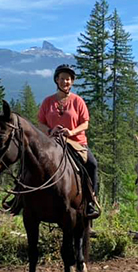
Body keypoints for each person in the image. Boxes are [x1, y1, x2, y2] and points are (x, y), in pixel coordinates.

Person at [37, 64, 100, 219]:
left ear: (72, 82)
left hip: (76, 142)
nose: (65, 82)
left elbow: (85, 123)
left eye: (68, 79)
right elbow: (40, 123)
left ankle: (91, 200)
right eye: (63, 78)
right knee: (32, 161)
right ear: (57, 80)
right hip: (52, 143)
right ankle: (19, 199)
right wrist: (51, 131)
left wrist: (71, 132)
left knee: (92, 165)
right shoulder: (47, 102)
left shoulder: (78, 101)